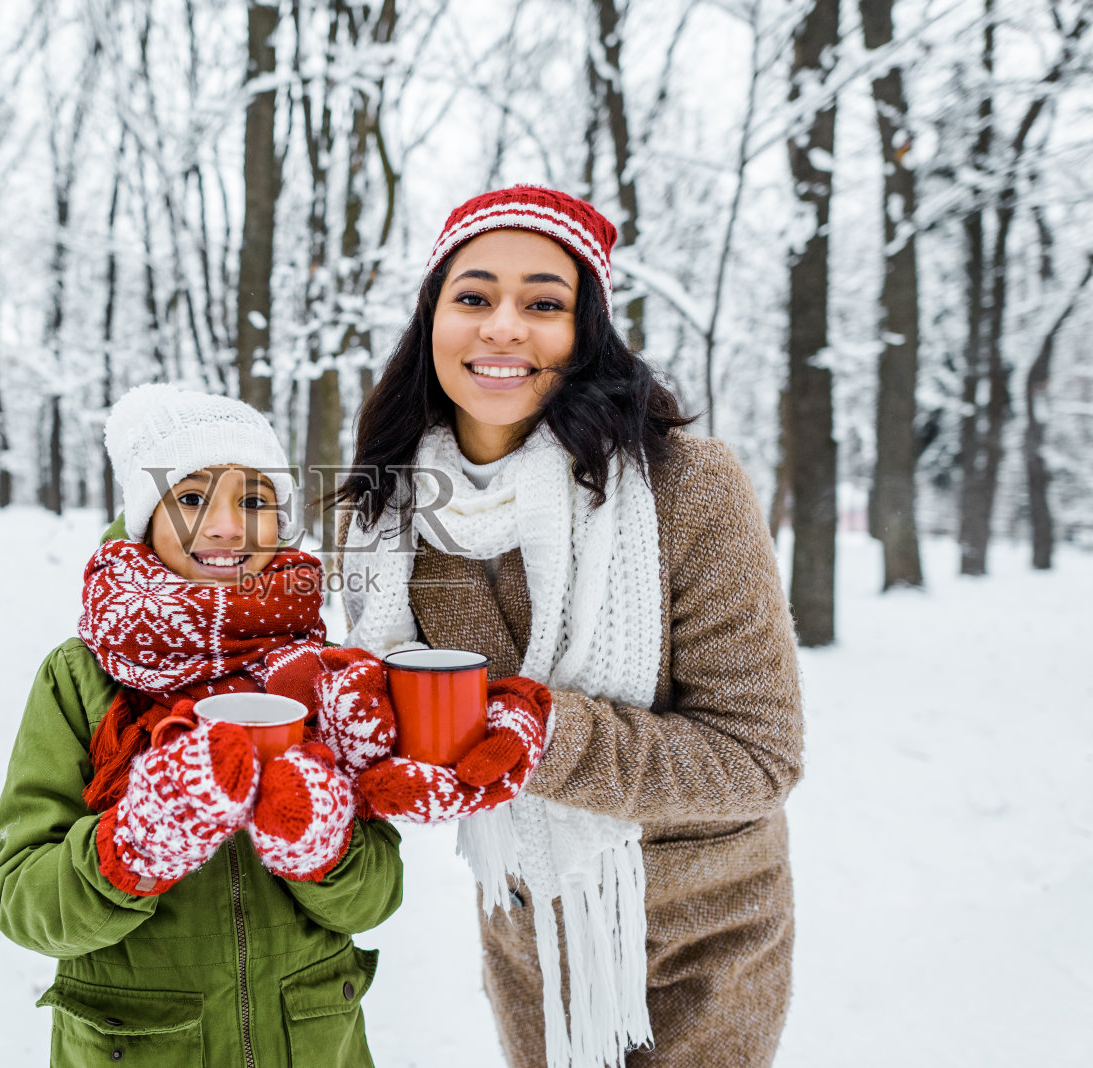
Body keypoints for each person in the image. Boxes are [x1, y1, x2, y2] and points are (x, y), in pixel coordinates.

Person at [327, 186, 805, 1068]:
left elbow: (758, 757)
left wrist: (538, 734)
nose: (503, 327)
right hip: (525, 917)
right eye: (473, 296)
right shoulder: (386, 510)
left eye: (544, 303)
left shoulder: (687, 487)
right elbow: (405, 713)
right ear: (432, 317)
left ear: (585, 333)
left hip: (702, 930)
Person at [0, 383, 405, 1067]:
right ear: (144, 520)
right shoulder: (81, 679)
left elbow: (375, 898)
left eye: (255, 500)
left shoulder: (323, 675)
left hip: (312, 1040)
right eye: (189, 498)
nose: (227, 528)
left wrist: (324, 850)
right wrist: (129, 851)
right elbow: (24, 904)